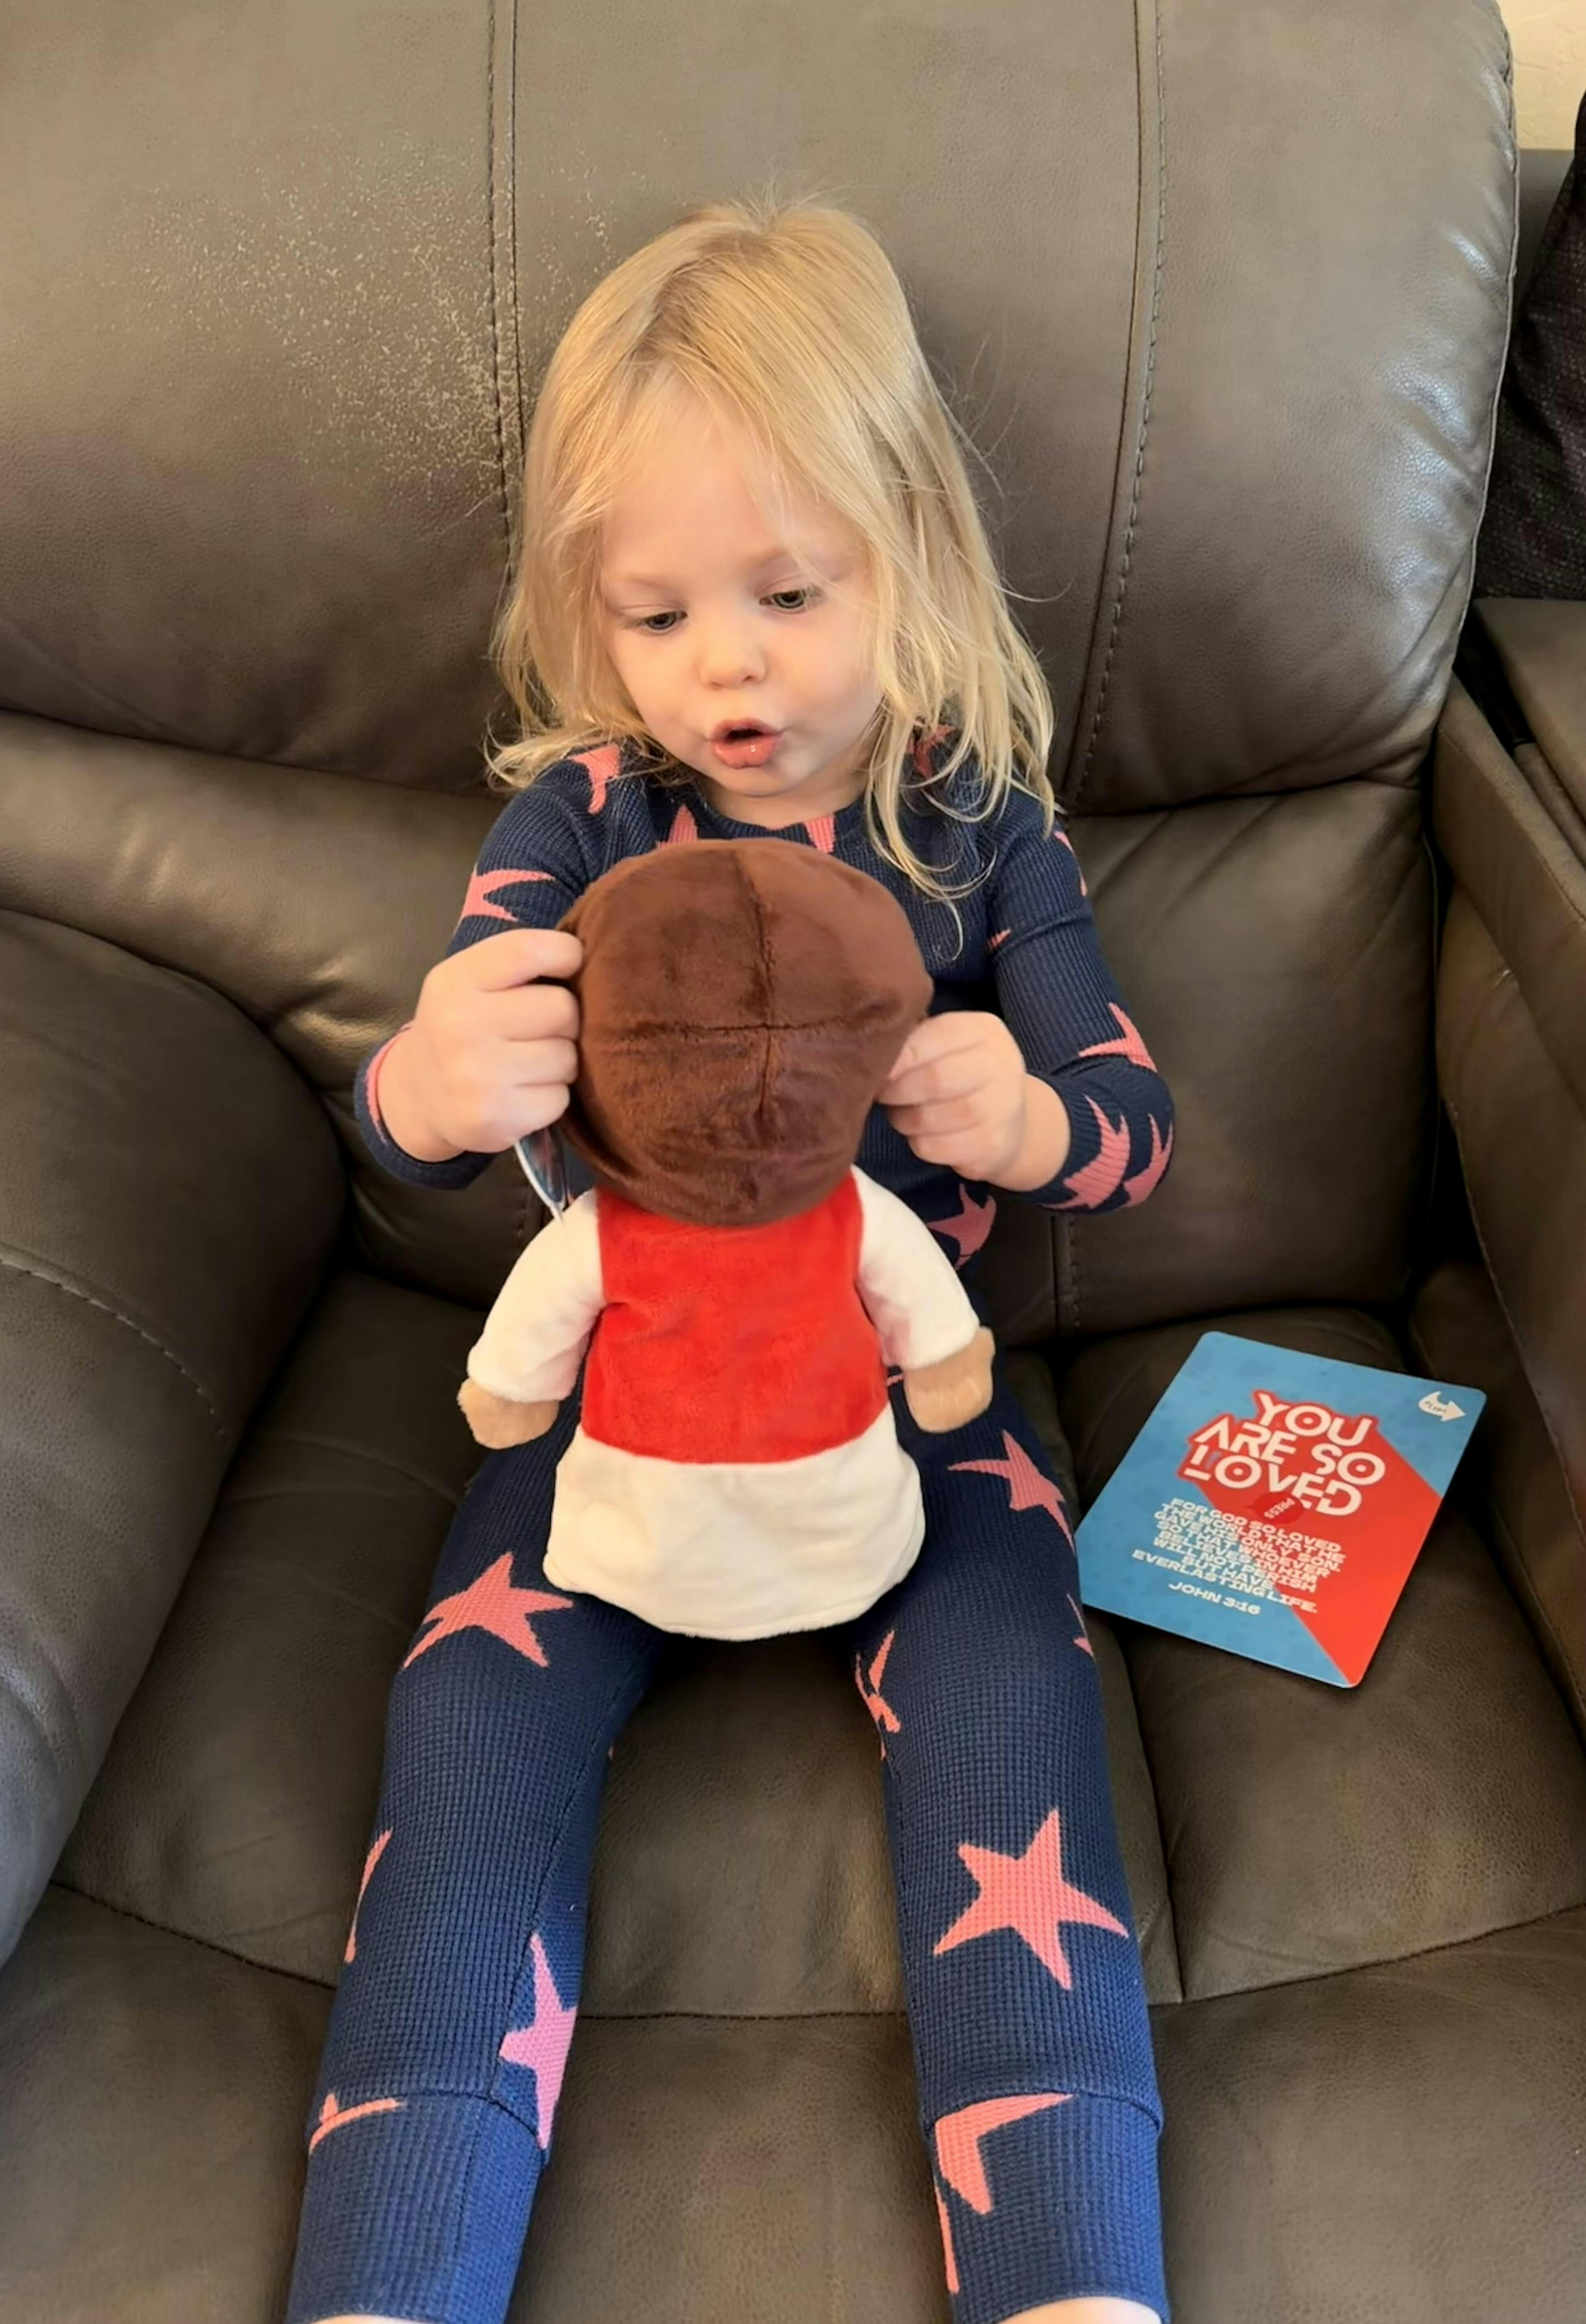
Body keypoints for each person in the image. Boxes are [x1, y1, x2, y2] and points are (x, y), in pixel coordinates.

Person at [286, 193, 1175, 2324]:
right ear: (585, 619)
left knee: (1012, 1693)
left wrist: (1029, 1119)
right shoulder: (585, 816)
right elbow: (406, 1130)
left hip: (909, 1399)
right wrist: (427, 1082)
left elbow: (1135, 1132)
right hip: (621, 1391)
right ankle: (398, 2257)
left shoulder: (979, 821)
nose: (728, 666)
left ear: (913, 555)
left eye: (789, 593)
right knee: (468, 1727)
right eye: (656, 612)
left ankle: (1069, 2259)